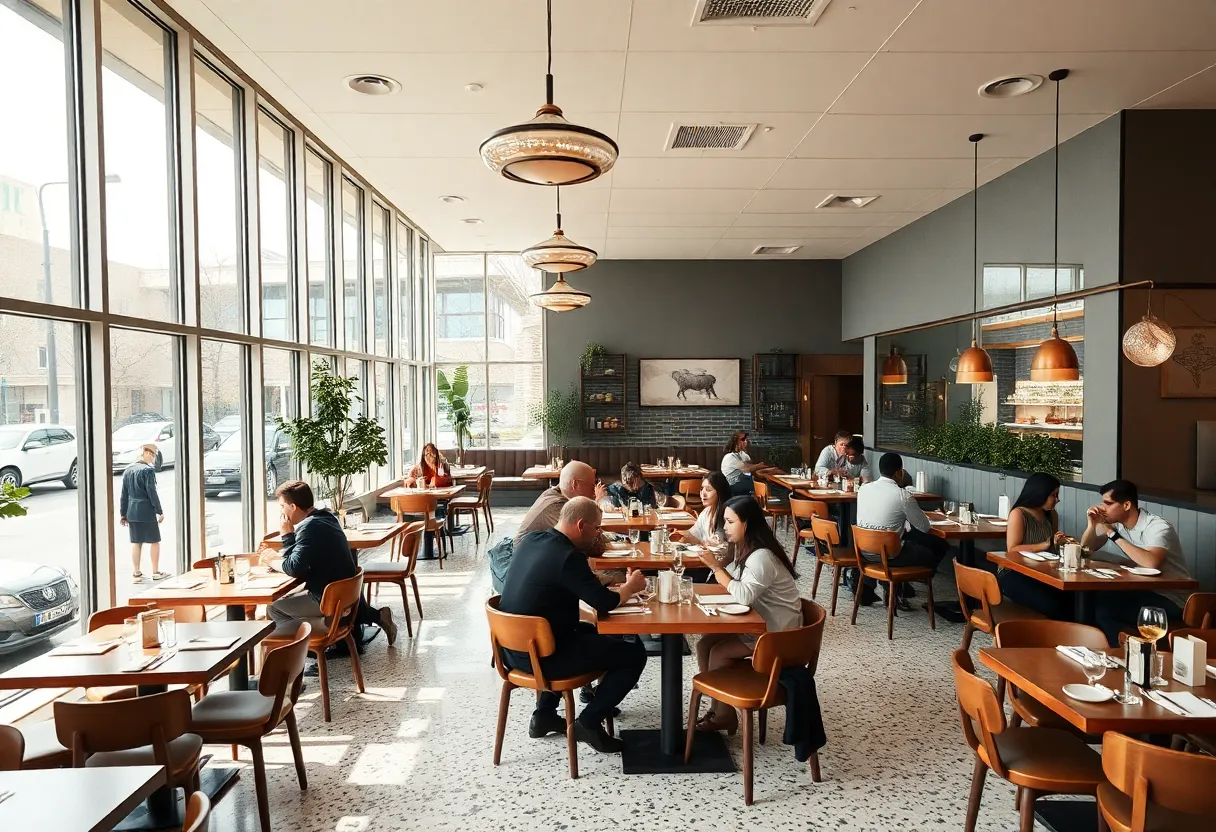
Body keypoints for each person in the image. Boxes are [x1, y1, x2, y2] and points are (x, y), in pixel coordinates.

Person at [498, 497, 648, 753]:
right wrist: (630, 587)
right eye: (596, 528)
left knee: (593, 631)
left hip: (512, 650)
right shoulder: (569, 556)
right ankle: (588, 722)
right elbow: (604, 603)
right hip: (544, 658)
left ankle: (544, 715)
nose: (598, 534)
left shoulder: (532, 541)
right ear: (581, 525)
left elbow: (567, 583)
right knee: (633, 653)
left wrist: (599, 583)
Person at [693, 495, 802, 734]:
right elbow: (734, 580)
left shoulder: (762, 556)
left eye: (730, 522)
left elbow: (743, 595)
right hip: (762, 622)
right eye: (725, 521)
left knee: (719, 651)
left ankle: (723, 716)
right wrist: (723, 560)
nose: (725, 527)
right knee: (705, 644)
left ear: (747, 523)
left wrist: (715, 567)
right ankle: (719, 709)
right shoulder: (748, 548)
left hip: (777, 634)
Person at [259, 480, 398, 646]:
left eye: (282, 506)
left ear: (293, 507)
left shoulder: (309, 527)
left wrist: (285, 538)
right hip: (344, 596)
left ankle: (321, 631)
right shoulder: (327, 517)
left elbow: (294, 568)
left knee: (273, 608)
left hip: (329, 600)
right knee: (289, 598)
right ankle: (364, 618)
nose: (281, 511)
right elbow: (301, 559)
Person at [1081, 479, 1190, 645]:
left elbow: (1151, 563)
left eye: (1108, 503)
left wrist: (1112, 534)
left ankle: (1121, 652)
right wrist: (1092, 525)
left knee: (1106, 609)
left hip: (1172, 598)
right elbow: (1086, 550)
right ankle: (1097, 649)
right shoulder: (1118, 524)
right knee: (1091, 600)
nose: (1103, 508)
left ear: (1126, 505)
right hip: (1141, 590)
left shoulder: (1157, 526)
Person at [853, 452, 951, 607]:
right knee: (932, 552)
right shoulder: (903, 496)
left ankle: (889, 586)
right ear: (899, 473)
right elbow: (924, 527)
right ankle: (897, 585)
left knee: (908, 540)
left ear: (880, 470)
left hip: (864, 551)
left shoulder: (863, 489)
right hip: (891, 555)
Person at [996, 473, 1073, 619]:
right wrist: (1046, 544)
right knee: (1053, 605)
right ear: (1040, 493)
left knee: (1072, 599)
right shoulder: (1019, 514)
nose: (1057, 499)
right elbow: (1012, 550)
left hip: (1043, 571)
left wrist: (1060, 542)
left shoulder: (1052, 515)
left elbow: (1052, 545)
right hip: (1014, 572)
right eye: (1053, 495)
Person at [120, 443, 166, 582]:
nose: (152, 458)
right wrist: (159, 511)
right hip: (146, 510)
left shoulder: (128, 470)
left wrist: (123, 514)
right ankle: (155, 572)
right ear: (144, 453)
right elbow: (152, 492)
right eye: (151, 454)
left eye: (154, 455)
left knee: (136, 542)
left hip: (132, 511)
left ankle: (136, 572)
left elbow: (124, 494)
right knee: (155, 541)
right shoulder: (148, 471)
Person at [680, 471, 731, 546]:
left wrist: (698, 542)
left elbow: (721, 544)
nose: (702, 494)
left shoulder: (727, 515)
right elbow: (695, 532)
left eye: (708, 490)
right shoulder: (706, 511)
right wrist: (681, 534)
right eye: (702, 489)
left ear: (720, 492)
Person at [721, 431, 776, 497]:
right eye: (743, 440)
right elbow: (747, 469)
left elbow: (752, 469)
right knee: (762, 487)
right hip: (732, 486)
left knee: (765, 484)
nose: (746, 441)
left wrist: (770, 469)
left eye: (746, 439)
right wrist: (761, 465)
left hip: (744, 482)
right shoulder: (730, 456)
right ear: (735, 442)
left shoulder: (744, 455)